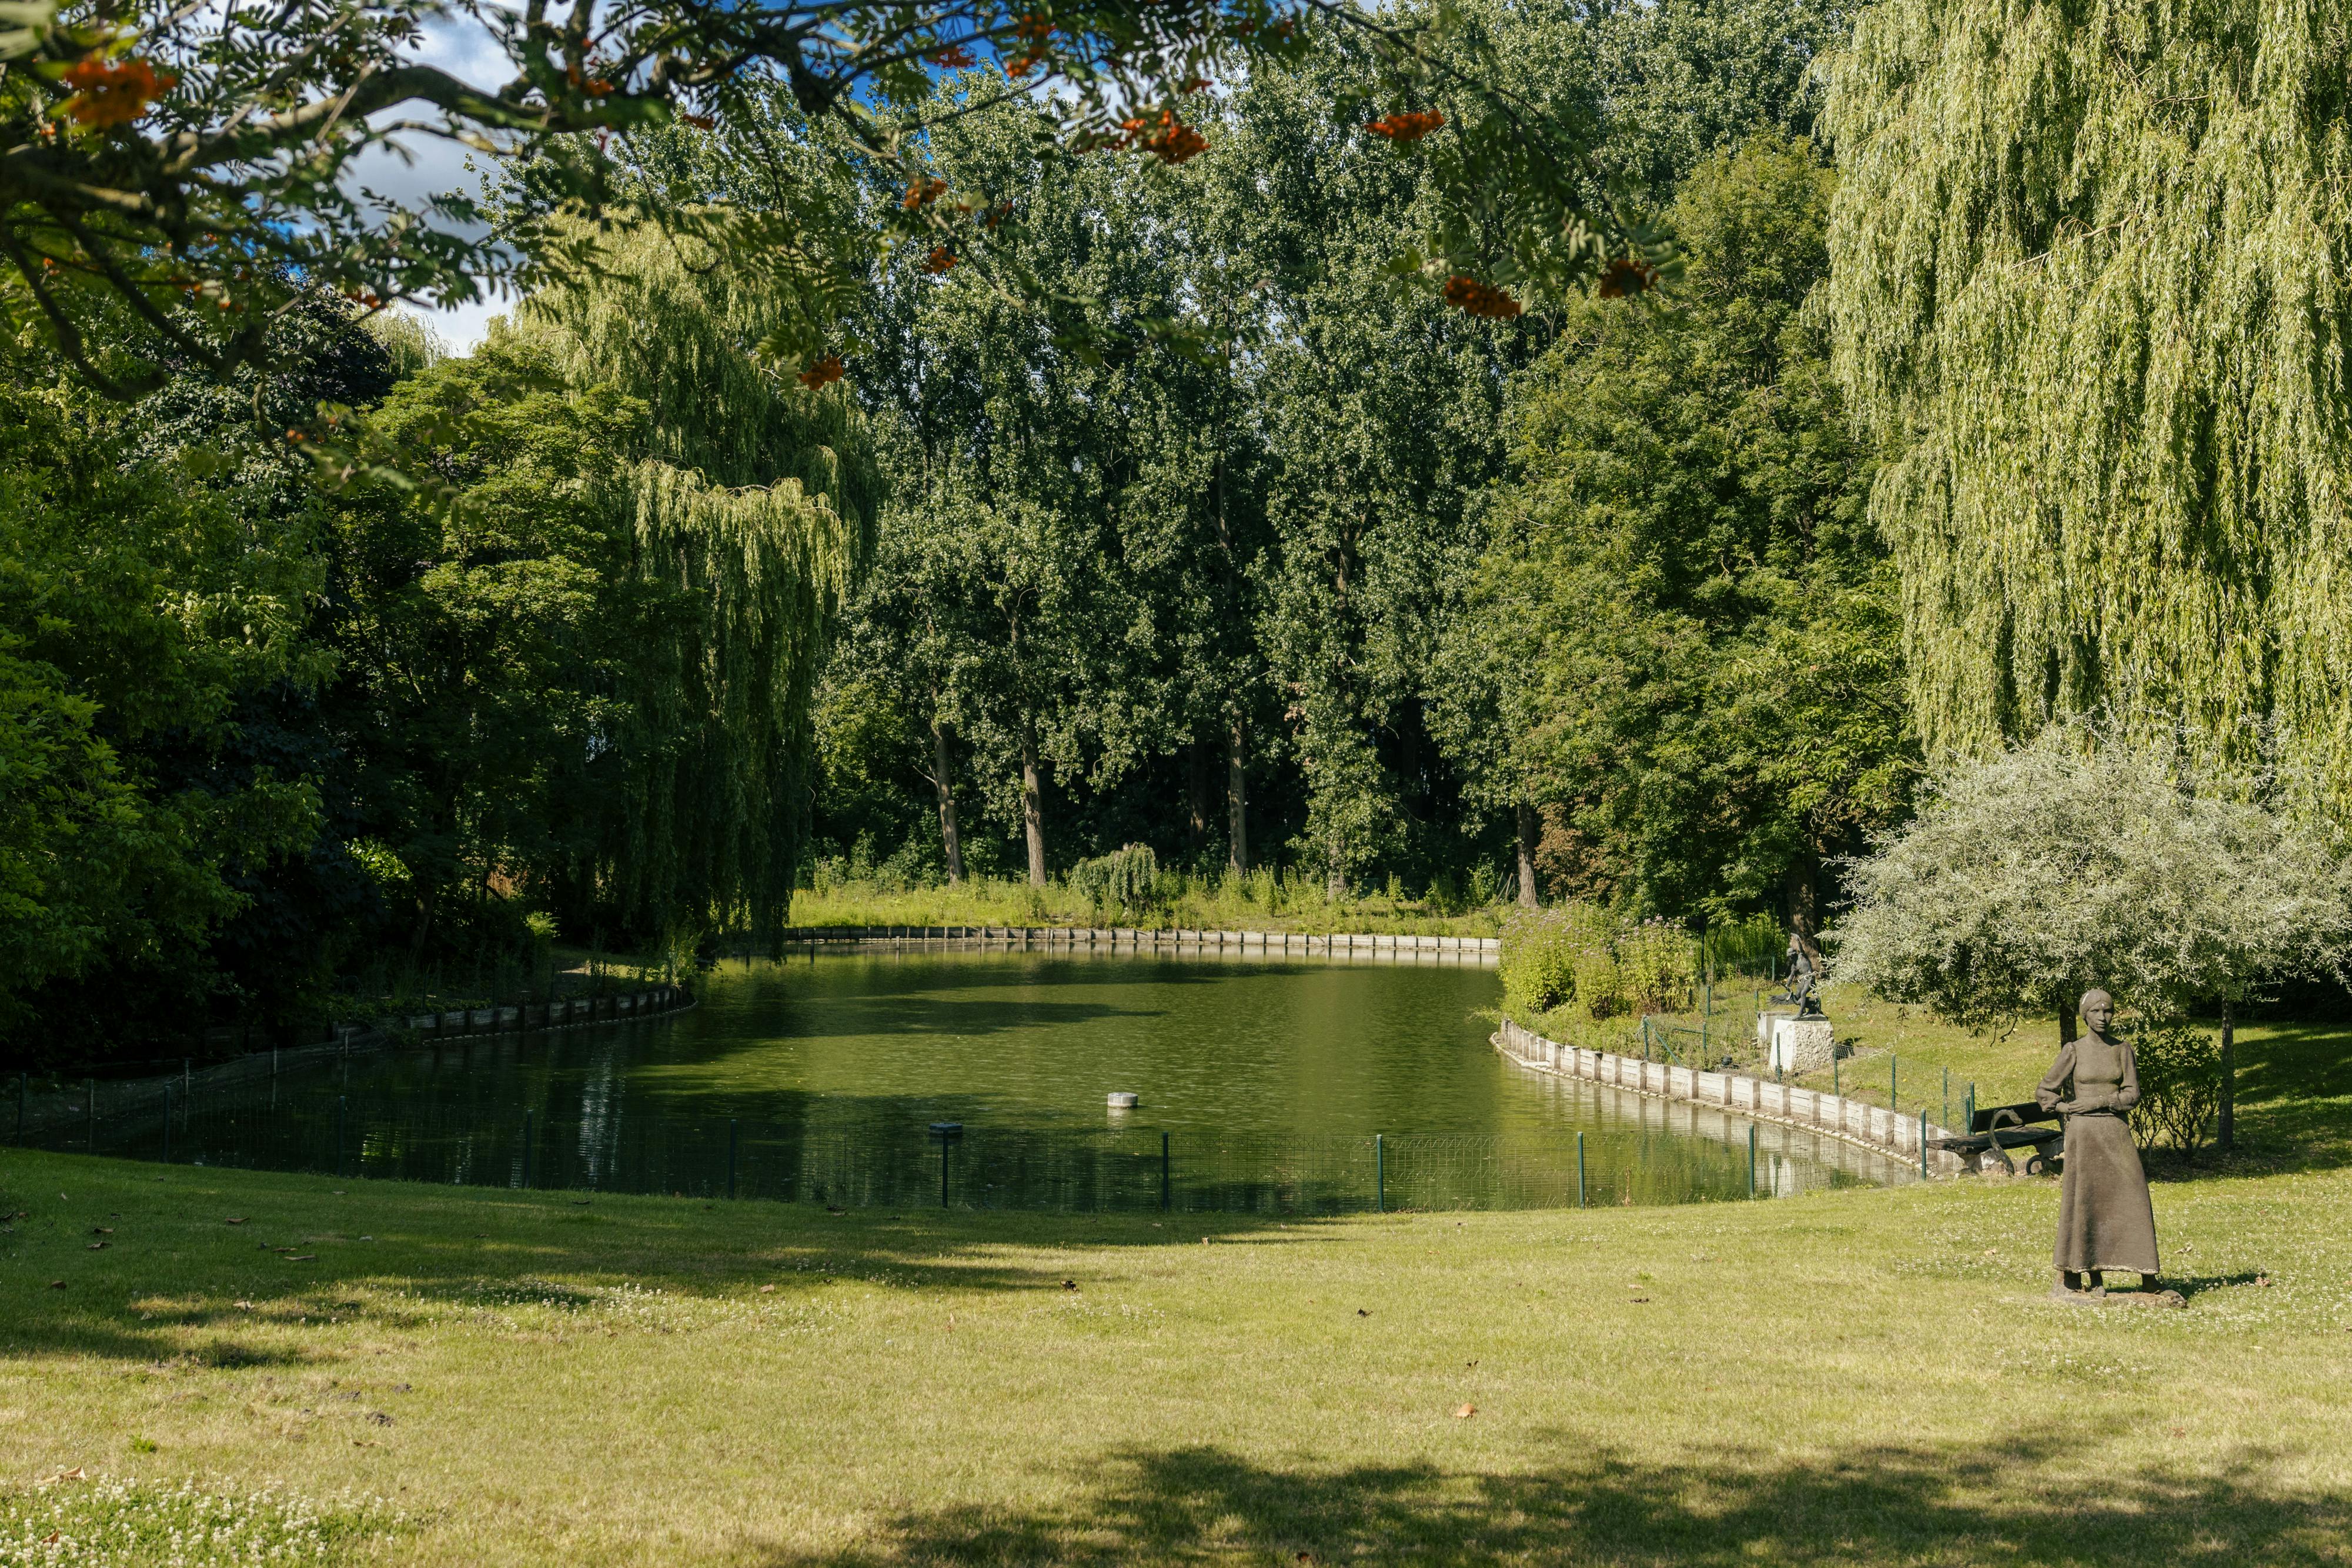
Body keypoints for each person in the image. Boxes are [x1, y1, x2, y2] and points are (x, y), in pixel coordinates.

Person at [2034, 989, 2162, 1300]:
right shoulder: (2074, 1050)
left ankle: (2148, 1275)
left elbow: (2132, 1095)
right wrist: (2066, 1108)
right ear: (2085, 1016)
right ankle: (2088, 1272)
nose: (2103, 1018)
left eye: (2108, 1012)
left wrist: (2098, 1102)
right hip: (2084, 1135)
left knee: (2133, 1196)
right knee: (2085, 1200)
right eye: (2095, 1012)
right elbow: (2045, 1092)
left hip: (2115, 1132)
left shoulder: (2122, 1050)